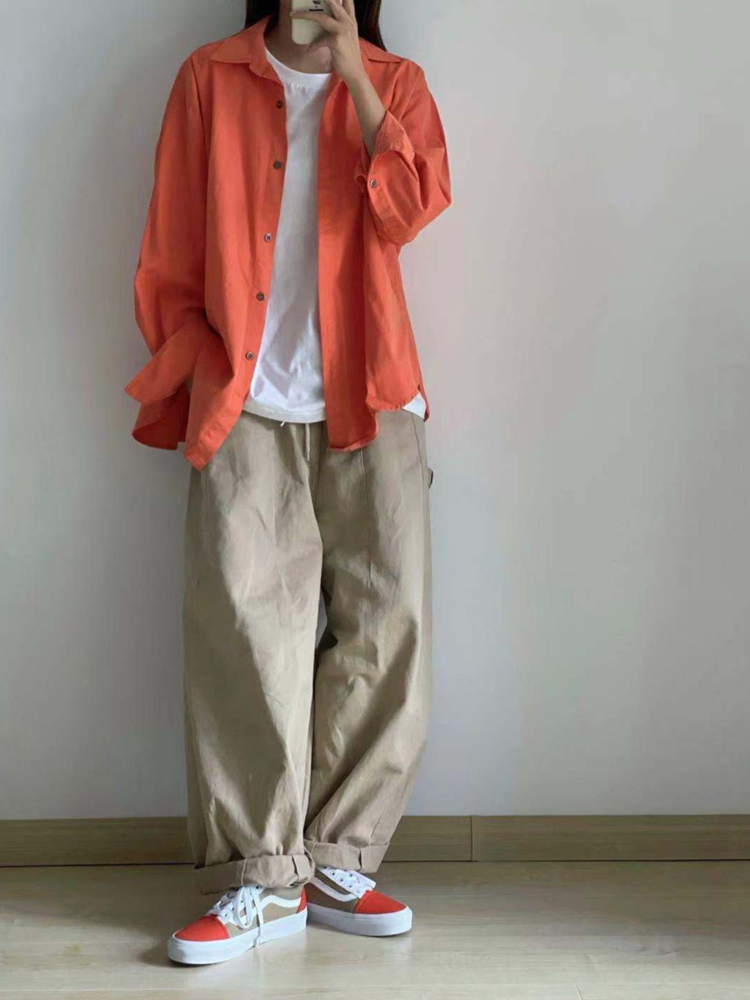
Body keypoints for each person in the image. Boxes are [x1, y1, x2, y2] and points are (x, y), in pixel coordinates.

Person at [125, 0, 451, 966]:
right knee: (244, 635)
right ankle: (264, 881)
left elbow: (410, 209)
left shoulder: (396, 85)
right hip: (247, 404)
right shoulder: (209, 77)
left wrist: (354, 75)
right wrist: (198, 368)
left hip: (374, 397)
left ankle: (340, 856)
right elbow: (171, 245)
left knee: (387, 624)